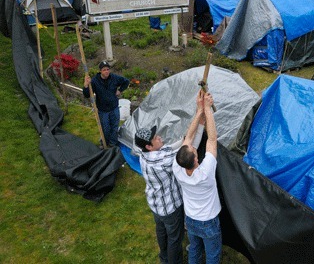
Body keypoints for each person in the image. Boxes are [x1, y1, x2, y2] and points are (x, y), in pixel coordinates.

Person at [134, 114, 204, 263]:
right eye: (155, 138)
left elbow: (176, 145)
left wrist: (186, 136)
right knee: (175, 238)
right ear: (149, 146)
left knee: (161, 230)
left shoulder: (144, 153)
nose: (159, 137)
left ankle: (163, 258)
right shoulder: (163, 160)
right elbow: (188, 149)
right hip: (170, 208)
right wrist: (200, 120)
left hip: (156, 204)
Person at [173, 91, 221, 264]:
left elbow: (189, 138)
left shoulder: (177, 166)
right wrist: (207, 108)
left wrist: (199, 111)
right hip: (208, 221)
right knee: (213, 255)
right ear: (196, 159)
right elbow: (212, 140)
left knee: (194, 249)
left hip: (191, 219)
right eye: (194, 151)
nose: (194, 148)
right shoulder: (205, 172)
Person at [83, 61, 129, 147]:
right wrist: (86, 85)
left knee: (114, 127)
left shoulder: (114, 78)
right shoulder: (95, 81)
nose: (107, 71)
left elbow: (126, 81)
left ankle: (112, 144)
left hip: (114, 107)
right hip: (103, 110)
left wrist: (120, 90)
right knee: (105, 128)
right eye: (104, 70)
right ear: (100, 71)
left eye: (108, 69)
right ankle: (104, 142)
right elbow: (87, 95)